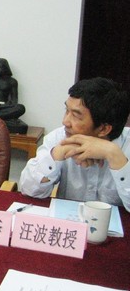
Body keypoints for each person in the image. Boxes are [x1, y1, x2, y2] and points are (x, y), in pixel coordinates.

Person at [19, 77, 130, 211]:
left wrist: (114, 154)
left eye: (76, 115)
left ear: (103, 129)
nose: (65, 122)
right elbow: (28, 190)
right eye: (67, 110)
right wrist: (56, 154)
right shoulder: (59, 137)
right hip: (66, 221)